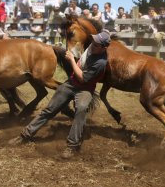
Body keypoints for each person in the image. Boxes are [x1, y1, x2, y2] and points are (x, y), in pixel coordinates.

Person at [9, 30, 111, 159]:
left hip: (85, 88)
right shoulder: (93, 46)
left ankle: (72, 146)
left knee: (81, 110)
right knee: (49, 110)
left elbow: (83, 78)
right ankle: (25, 135)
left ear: (104, 48)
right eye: (93, 41)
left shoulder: (100, 62)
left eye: (97, 44)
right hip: (70, 83)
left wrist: (71, 61)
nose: (93, 44)